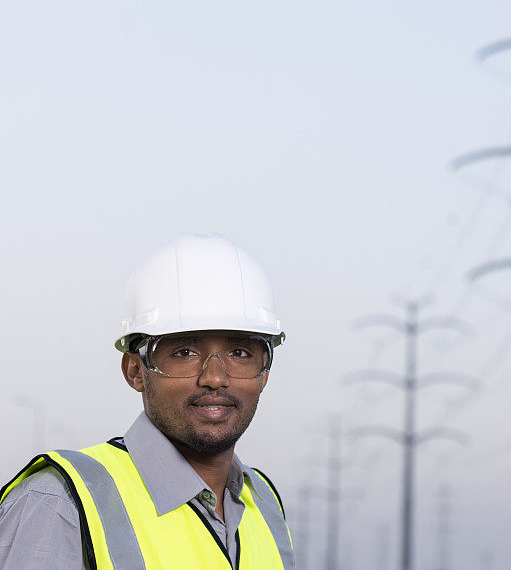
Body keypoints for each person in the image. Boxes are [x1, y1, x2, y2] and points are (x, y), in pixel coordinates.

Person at [0, 233, 296, 569]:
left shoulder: (265, 507)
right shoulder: (60, 504)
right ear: (135, 371)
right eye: (185, 352)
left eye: (240, 352)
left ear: (264, 373)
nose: (215, 377)